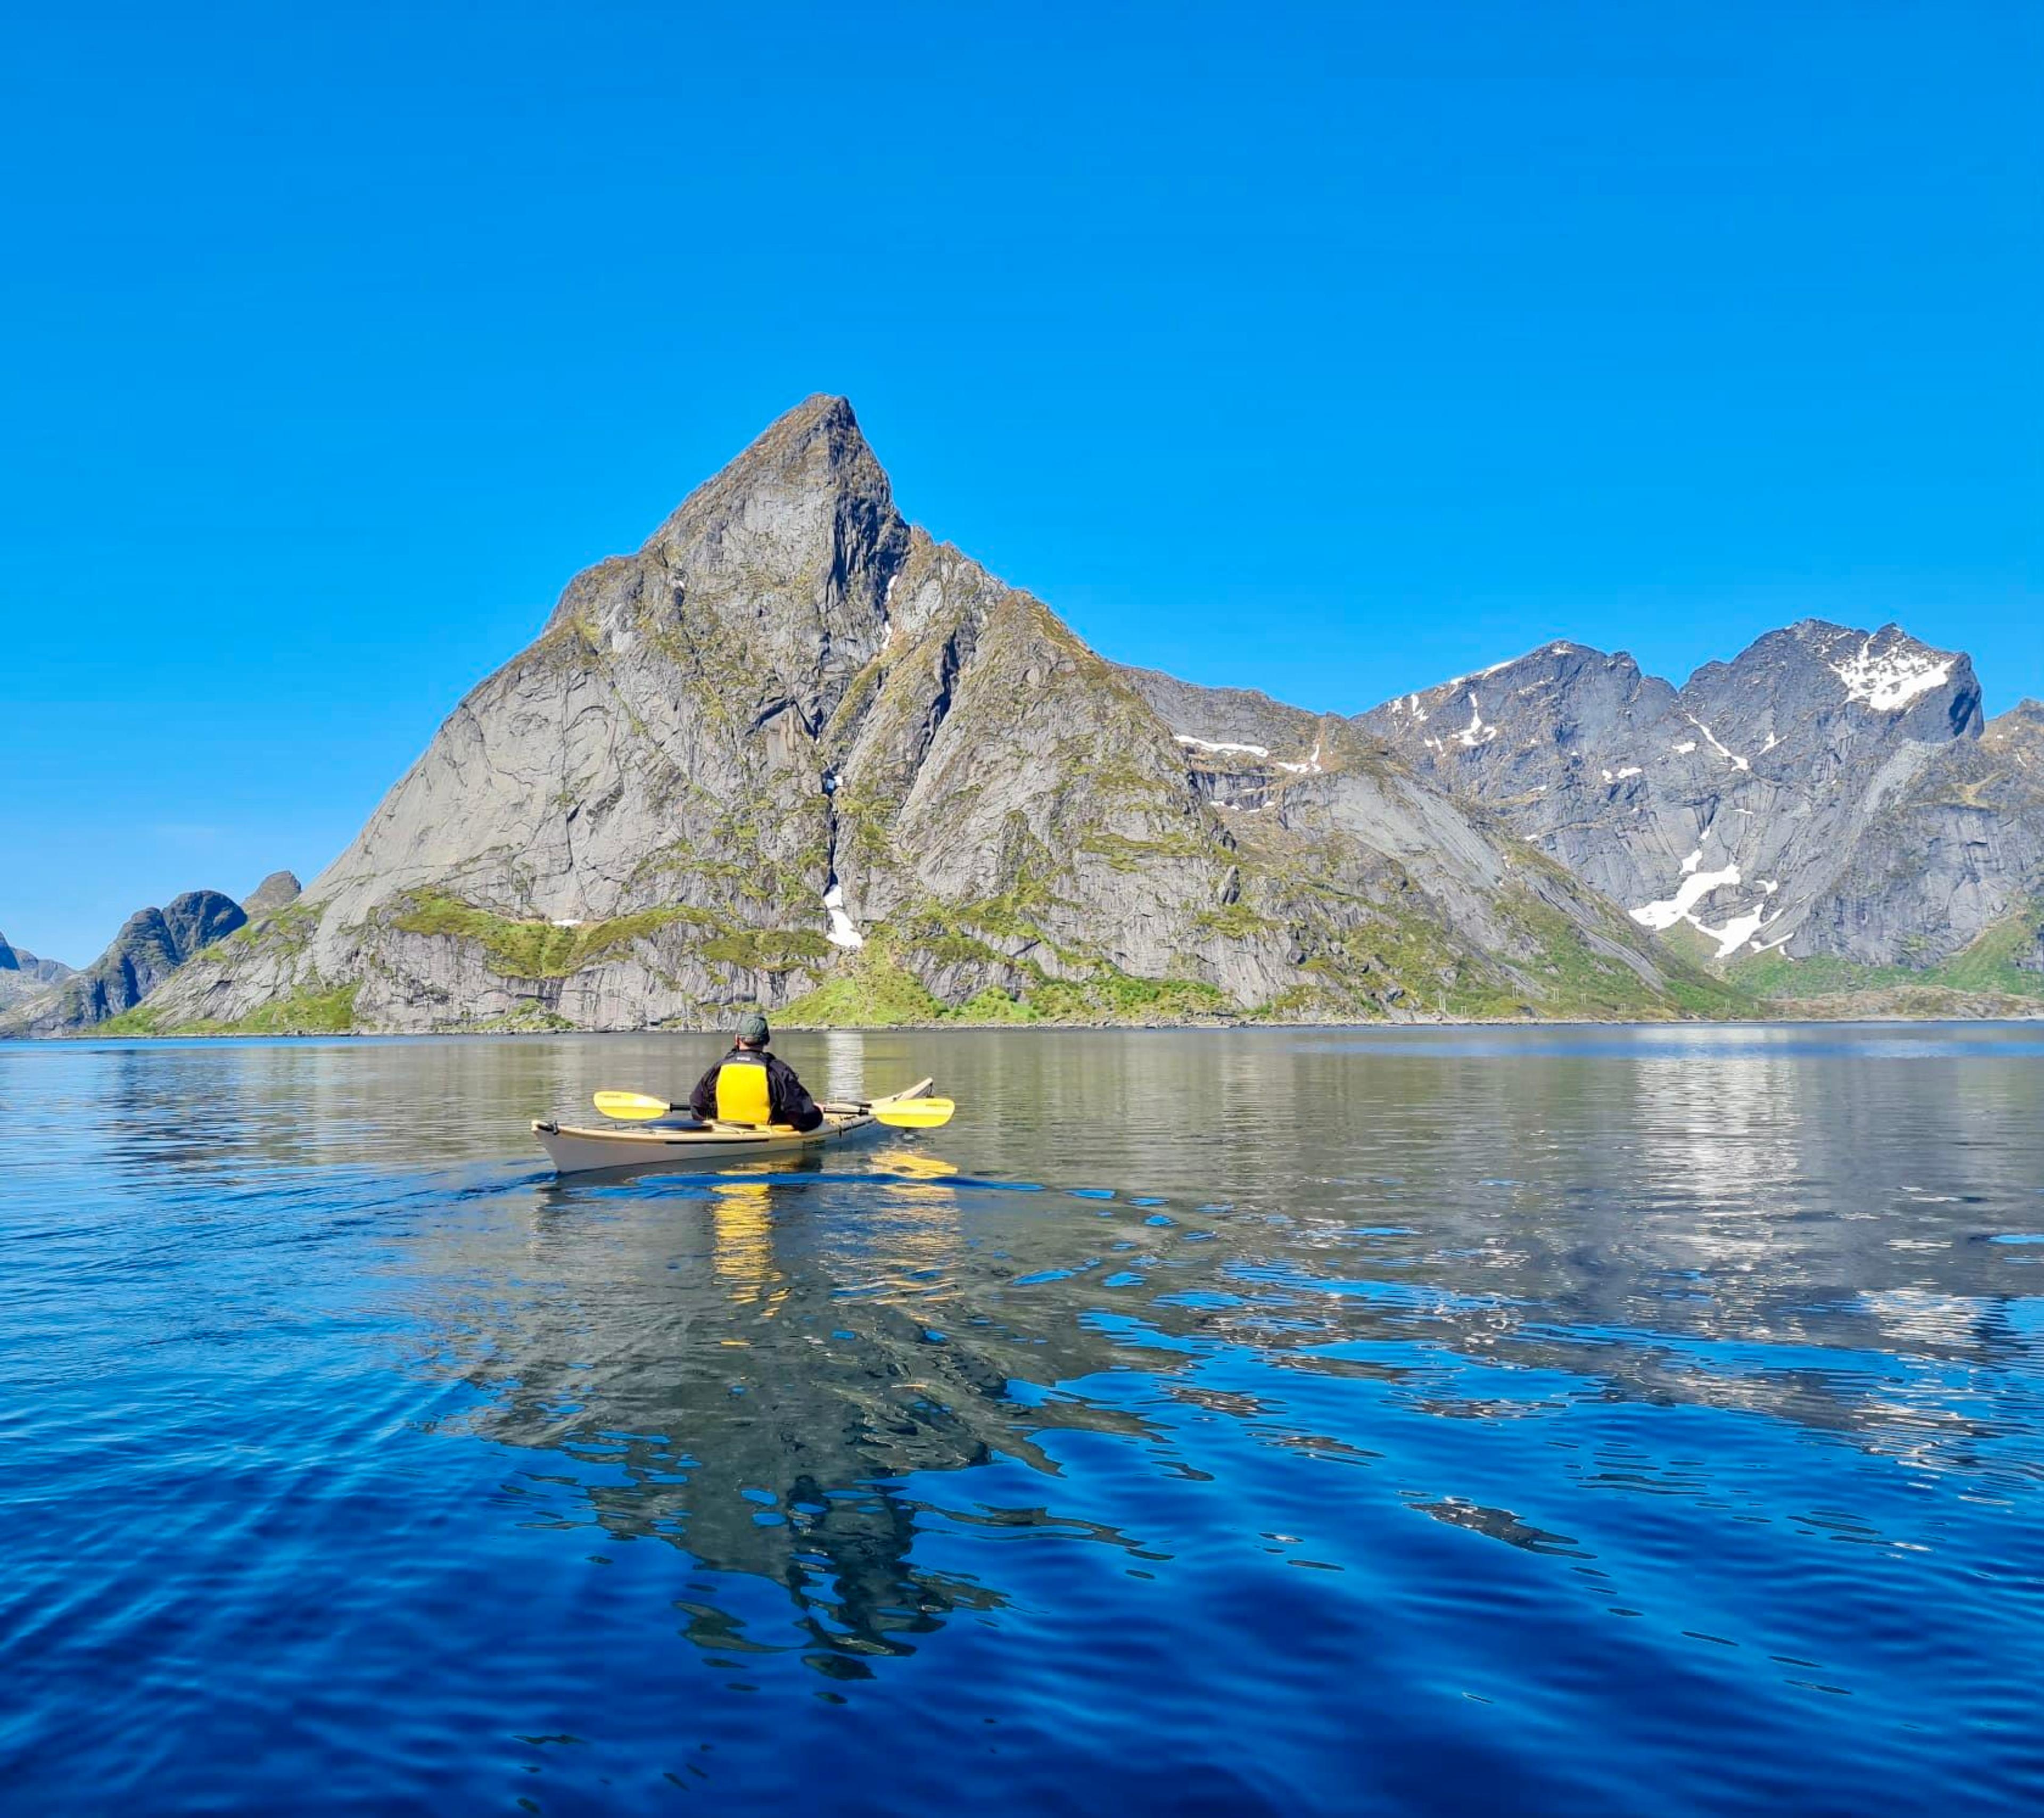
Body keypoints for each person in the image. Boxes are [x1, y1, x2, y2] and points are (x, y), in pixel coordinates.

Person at [688, 1011, 823, 1131]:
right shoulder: (777, 1071)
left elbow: (697, 1104)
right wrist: (817, 1113)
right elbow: (802, 1116)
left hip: (725, 1131)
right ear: (767, 1041)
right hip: (765, 1135)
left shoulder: (718, 1069)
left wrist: (712, 1126)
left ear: (737, 1039)